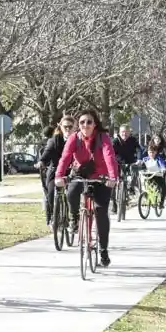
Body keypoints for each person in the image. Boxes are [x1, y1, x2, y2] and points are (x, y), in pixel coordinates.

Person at [55, 109, 119, 267]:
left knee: (101, 211)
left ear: (95, 124)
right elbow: (65, 158)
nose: (85, 125)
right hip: (81, 175)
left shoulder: (102, 137)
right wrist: (59, 176)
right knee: (71, 192)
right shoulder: (73, 138)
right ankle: (74, 218)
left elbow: (109, 156)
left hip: (101, 178)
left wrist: (112, 177)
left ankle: (103, 249)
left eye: (89, 122)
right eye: (82, 122)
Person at [38, 116, 73, 226]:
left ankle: (72, 216)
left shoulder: (78, 140)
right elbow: (47, 153)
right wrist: (42, 162)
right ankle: (54, 215)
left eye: (70, 127)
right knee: (51, 191)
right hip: (55, 172)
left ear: (75, 128)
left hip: (72, 173)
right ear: (60, 127)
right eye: (65, 127)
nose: (67, 129)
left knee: (73, 192)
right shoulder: (54, 140)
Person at [112, 124, 142, 199]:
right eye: (122, 132)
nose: (124, 134)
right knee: (113, 180)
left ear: (129, 133)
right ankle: (114, 201)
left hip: (130, 162)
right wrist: (118, 161)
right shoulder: (115, 141)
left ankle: (131, 188)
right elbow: (112, 153)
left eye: (126, 132)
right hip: (118, 163)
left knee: (134, 170)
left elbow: (138, 149)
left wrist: (139, 159)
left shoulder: (133, 140)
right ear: (119, 132)